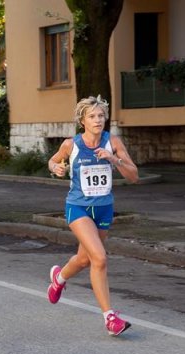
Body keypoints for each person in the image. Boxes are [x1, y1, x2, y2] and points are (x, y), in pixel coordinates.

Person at [47, 95, 139, 336]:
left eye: (101, 116)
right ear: (82, 121)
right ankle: (110, 318)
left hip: (104, 208)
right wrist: (56, 167)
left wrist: (113, 158)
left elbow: (133, 176)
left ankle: (59, 277)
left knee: (85, 259)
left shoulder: (113, 142)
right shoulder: (72, 144)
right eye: (92, 116)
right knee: (99, 257)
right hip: (78, 208)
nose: (98, 120)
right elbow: (53, 161)